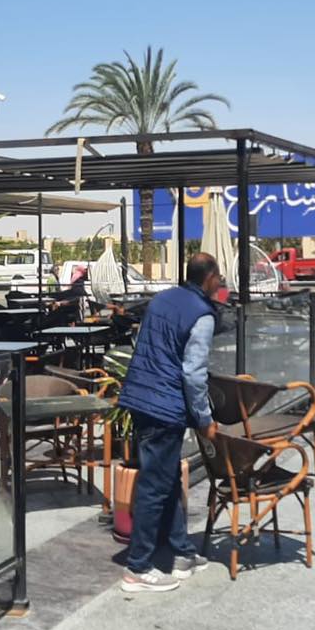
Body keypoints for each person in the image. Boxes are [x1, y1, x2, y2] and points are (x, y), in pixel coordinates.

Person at [114, 251, 221, 593]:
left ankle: (182, 552)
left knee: (167, 478)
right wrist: (204, 419)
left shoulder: (161, 300)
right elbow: (193, 373)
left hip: (139, 397)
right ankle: (138, 568)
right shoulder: (202, 314)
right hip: (164, 405)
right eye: (219, 277)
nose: (221, 283)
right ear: (209, 278)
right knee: (154, 486)